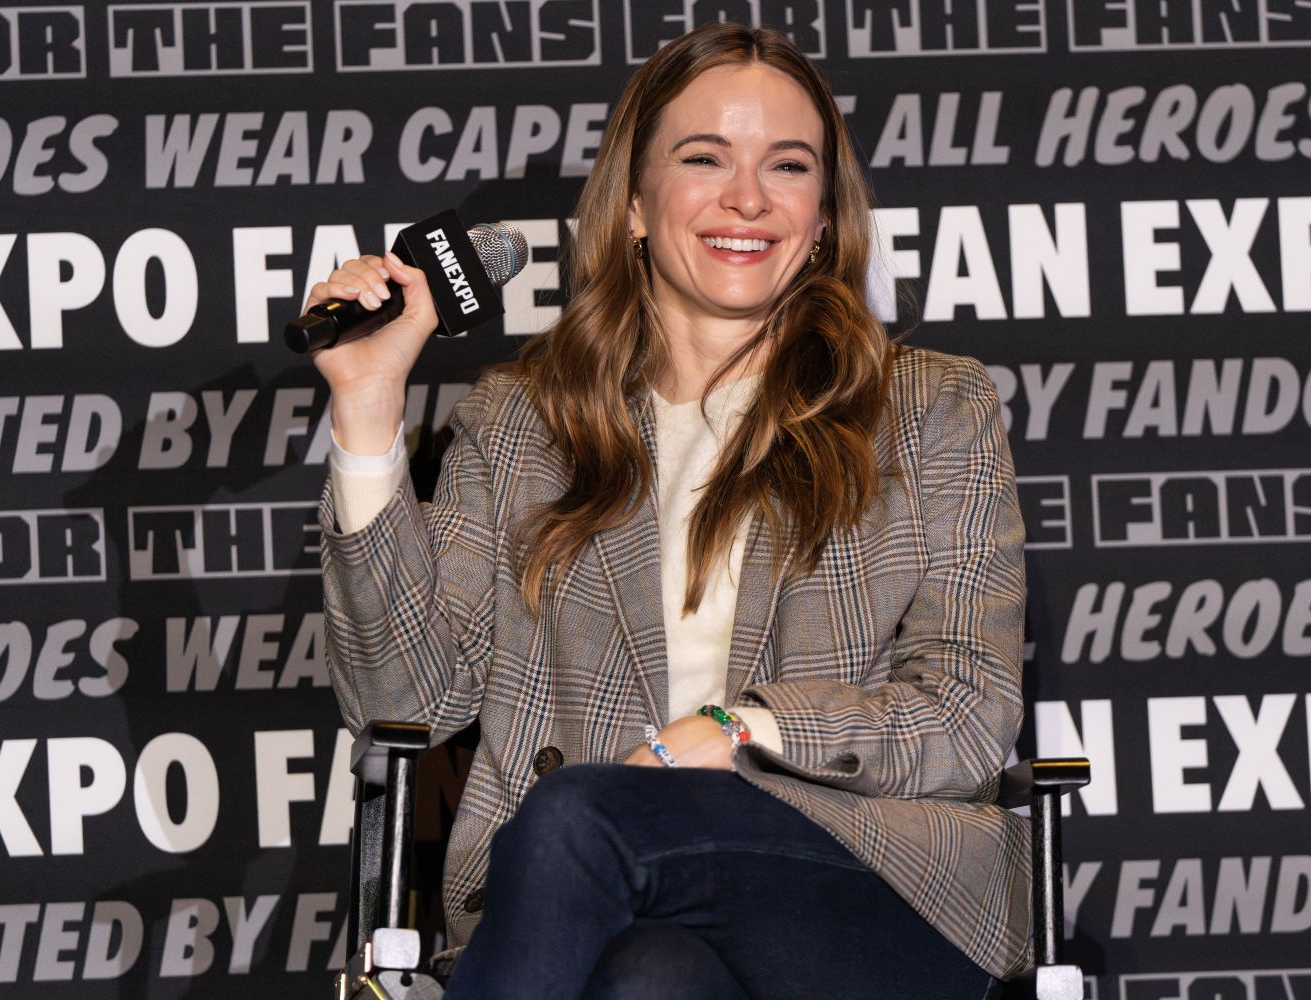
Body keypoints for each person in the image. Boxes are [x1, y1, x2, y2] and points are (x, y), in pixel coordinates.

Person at [308, 21, 1030, 999]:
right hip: (601, 923)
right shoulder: (522, 425)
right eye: (705, 158)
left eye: (787, 166)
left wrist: (739, 729)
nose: (747, 197)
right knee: (650, 978)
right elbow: (406, 703)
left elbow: (968, 714)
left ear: (823, 217)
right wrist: (368, 407)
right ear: (637, 205)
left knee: (572, 817)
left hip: (865, 891)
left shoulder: (934, 408)